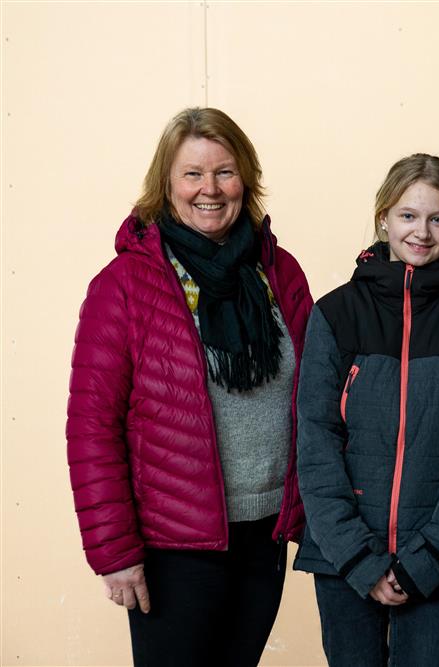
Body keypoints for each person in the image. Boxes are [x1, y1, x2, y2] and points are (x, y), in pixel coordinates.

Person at [66, 107, 313, 666]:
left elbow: (316, 397)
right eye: (192, 174)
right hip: (170, 547)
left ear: (244, 178)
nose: (210, 189)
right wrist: (115, 553)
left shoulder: (280, 272)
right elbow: (91, 428)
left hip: (264, 534)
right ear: (166, 184)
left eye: (224, 172)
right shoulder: (123, 287)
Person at [294, 153, 439, 667]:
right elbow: (315, 441)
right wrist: (359, 560)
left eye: (437, 218)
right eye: (409, 215)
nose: (422, 231)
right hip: (344, 559)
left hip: (435, 562)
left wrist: (430, 557)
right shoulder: (335, 313)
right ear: (384, 217)